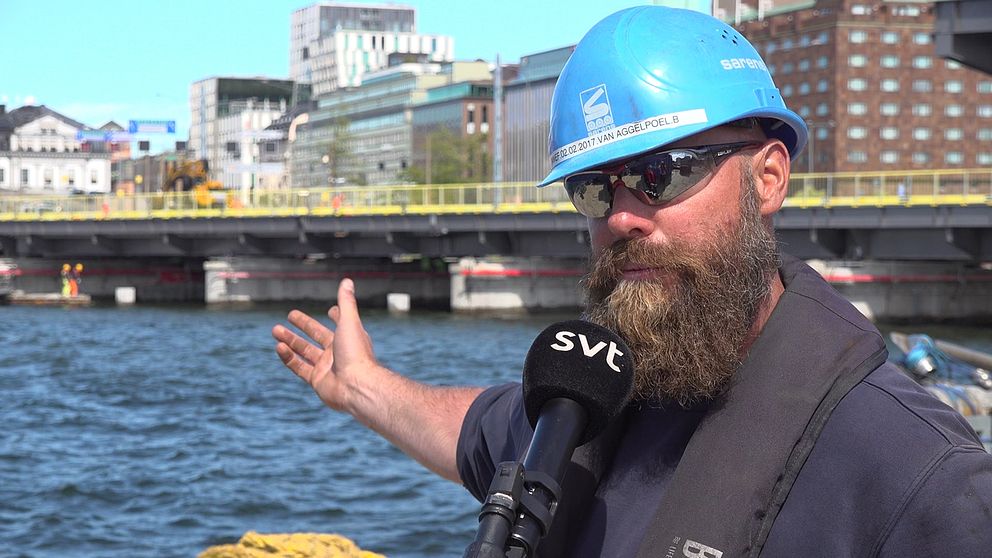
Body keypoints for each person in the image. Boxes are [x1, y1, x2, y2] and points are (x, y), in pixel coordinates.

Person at [272, 7, 992, 557]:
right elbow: (474, 428)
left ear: (768, 176)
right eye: (593, 188)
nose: (621, 217)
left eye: (661, 174)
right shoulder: (584, 407)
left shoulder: (915, 472)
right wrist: (361, 385)